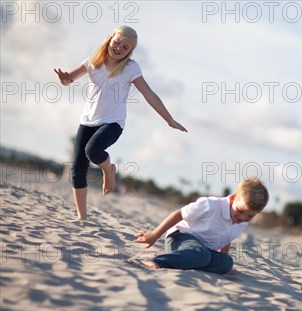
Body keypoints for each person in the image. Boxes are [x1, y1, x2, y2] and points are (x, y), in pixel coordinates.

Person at [54, 26, 187, 220]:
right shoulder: (93, 62)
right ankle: (82, 217)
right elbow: (69, 79)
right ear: (110, 38)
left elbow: (149, 95)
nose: (119, 48)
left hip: (112, 123)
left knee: (93, 150)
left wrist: (169, 119)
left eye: (125, 47)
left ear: (130, 52)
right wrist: (65, 79)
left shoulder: (130, 68)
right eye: (117, 42)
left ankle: (109, 171)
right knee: (77, 169)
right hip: (87, 121)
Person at [134, 178, 269, 274]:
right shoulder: (212, 205)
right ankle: (157, 261)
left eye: (250, 216)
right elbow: (179, 214)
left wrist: (222, 258)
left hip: (204, 250)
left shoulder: (242, 221)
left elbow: (226, 236)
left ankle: (190, 261)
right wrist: (155, 235)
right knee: (202, 255)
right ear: (233, 199)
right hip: (180, 238)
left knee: (227, 263)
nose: (243, 218)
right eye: (240, 211)